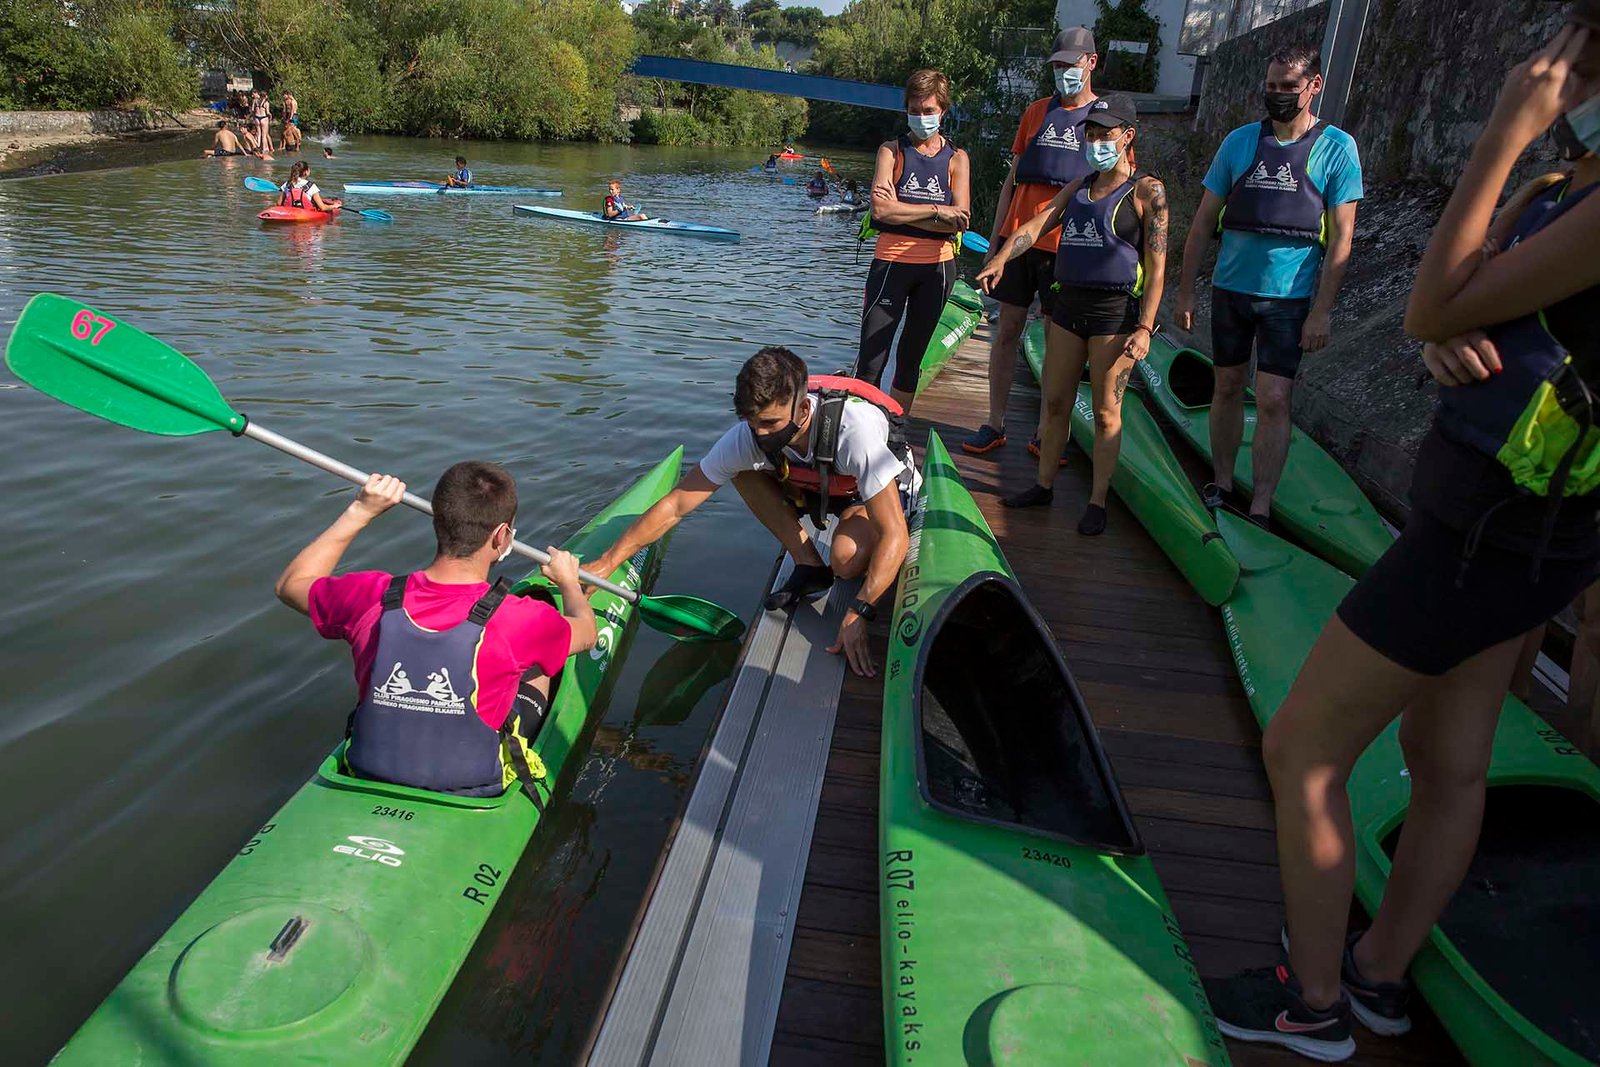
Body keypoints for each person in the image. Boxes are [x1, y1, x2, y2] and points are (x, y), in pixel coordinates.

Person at [1202, 16, 1600, 1062]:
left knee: (1303, 749)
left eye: (1580, 50)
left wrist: (1501, 134)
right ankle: (1377, 976)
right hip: (1507, 527)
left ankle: (1313, 996)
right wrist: (1443, 341)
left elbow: (1429, 302)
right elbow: (1459, 307)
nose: (1555, 66)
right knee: (1447, 755)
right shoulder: (1567, 189)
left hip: (1486, 532)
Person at [584, 346, 914, 677]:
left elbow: (895, 534)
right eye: (752, 423)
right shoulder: (749, 436)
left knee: (846, 560)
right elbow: (677, 504)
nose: (760, 435)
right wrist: (609, 561)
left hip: (868, 492)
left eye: (770, 423)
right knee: (740, 469)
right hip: (817, 484)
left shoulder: (854, 433)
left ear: (802, 409)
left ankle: (840, 548)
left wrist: (860, 610)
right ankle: (809, 564)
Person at [274, 462, 596, 796]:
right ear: (502, 536)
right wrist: (569, 583)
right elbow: (586, 633)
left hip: (366, 769)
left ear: (437, 522)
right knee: (539, 664)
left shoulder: (372, 595)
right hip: (473, 787)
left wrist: (360, 510)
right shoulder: (521, 617)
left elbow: (291, 584)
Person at [1174, 43, 1363, 528]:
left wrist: (1322, 311)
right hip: (1231, 291)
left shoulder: (1338, 148)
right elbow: (1201, 224)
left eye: (1288, 87)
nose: (1277, 95)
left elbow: (1341, 240)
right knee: (1227, 386)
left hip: (1288, 300)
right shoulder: (1239, 143)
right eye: (1271, 86)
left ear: (1313, 86)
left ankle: (1261, 502)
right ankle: (1221, 480)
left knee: (1275, 398)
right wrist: (1187, 290)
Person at [976, 94, 1167, 535]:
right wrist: (1003, 256)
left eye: (1106, 134)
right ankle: (1043, 486)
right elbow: (1035, 226)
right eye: (1092, 133)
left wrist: (1145, 328)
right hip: (1068, 307)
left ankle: (1098, 500)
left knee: (1105, 412)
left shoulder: (1147, 191)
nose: (1096, 141)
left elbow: (1158, 269)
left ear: (1127, 137)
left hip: (1115, 315)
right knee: (1056, 401)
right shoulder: (1080, 185)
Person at [963, 27, 1101, 458]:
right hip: (1018, 244)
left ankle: (1046, 433)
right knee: (1006, 331)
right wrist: (995, 243)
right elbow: (1012, 180)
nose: (1063, 73)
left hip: (1068, 248)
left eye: (1070, 65)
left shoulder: (1104, 121)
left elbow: (1112, 190)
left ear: (1091, 64)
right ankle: (995, 423)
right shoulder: (1036, 112)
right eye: (1057, 66)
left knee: (1057, 345)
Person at [853, 68, 971, 417]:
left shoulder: (957, 159)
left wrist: (903, 209)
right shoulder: (891, 152)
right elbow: (881, 211)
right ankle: (862, 428)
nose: (921, 117)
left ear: (943, 111)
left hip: (937, 268)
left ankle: (894, 428)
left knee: (910, 358)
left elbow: (962, 216)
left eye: (928, 110)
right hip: (891, 262)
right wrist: (938, 211)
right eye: (915, 110)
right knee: (872, 358)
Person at [250, 90, 274, 161]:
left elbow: (252, 110)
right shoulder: (266, 103)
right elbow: (267, 112)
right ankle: (264, 149)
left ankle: (257, 148)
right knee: (264, 135)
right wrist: (270, 116)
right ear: (265, 96)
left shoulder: (255, 101)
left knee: (258, 134)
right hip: (264, 118)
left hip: (257, 118)